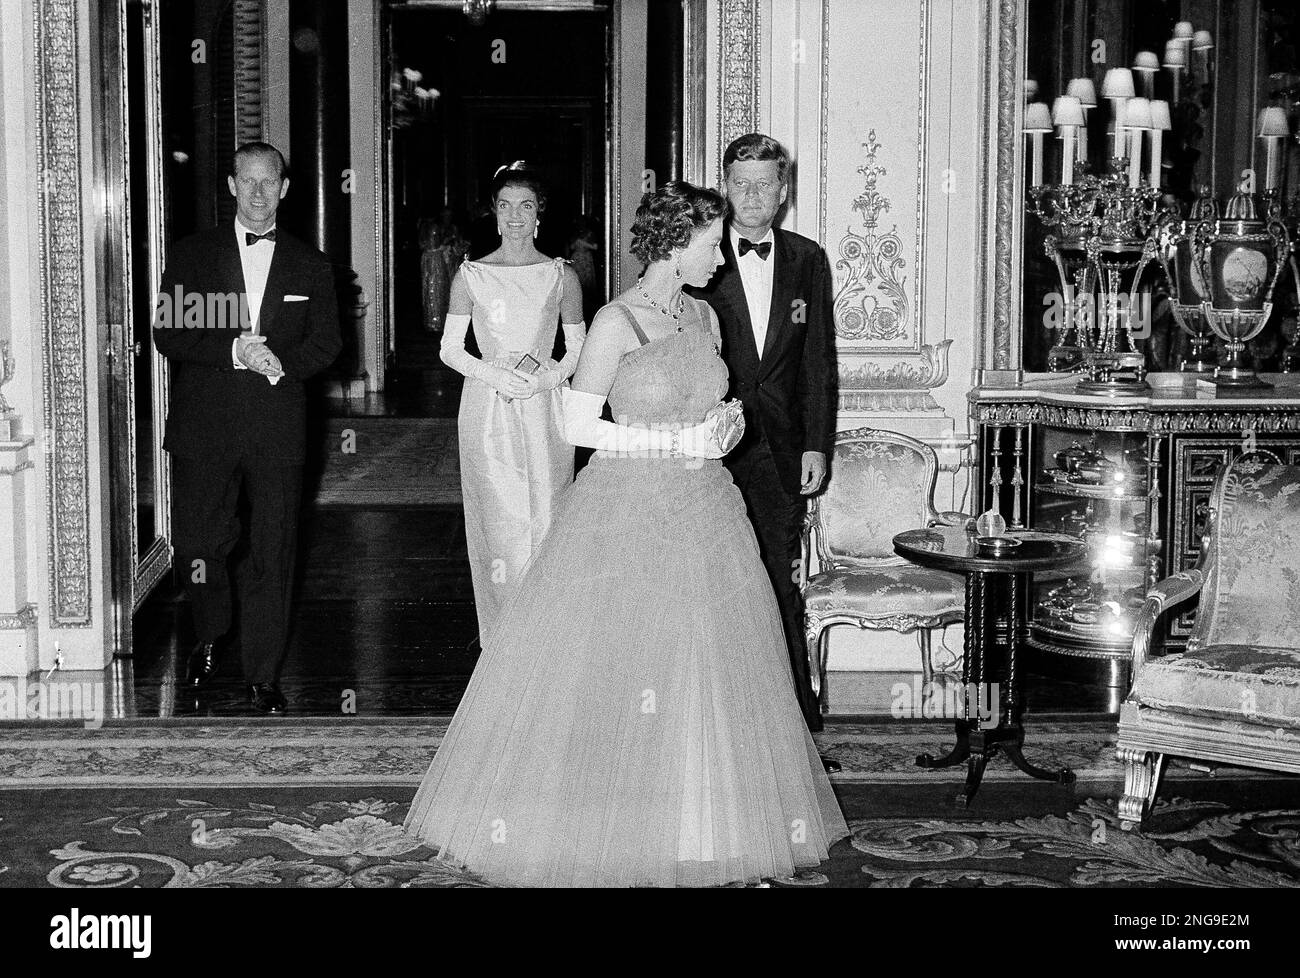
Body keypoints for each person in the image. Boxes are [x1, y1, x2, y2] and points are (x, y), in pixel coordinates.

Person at [404, 181, 848, 887]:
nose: (720, 259)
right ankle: (606, 820)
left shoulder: (703, 314)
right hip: (626, 509)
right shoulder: (615, 321)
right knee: (627, 663)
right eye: (711, 245)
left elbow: (714, 400)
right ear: (675, 245)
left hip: (706, 509)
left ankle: (701, 827)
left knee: (707, 661)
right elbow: (577, 425)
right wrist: (671, 445)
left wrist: (725, 424)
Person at [153, 141, 341, 714]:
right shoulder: (192, 256)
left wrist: (286, 364)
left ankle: (263, 674)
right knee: (199, 544)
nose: (260, 192)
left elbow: (329, 342)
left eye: (271, 181)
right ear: (232, 186)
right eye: (248, 181)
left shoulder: (310, 265)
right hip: (204, 427)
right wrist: (235, 350)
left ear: (285, 188)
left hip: (276, 428)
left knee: (274, 552)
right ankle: (212, 628)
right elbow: (169, 334)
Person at [692, 133, 838, 742]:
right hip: (707, 453)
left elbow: (817, 362)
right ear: (725, 187)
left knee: (780, 586)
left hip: (780, 454)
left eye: (764, 183)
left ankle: (793, 737)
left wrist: (815, 446)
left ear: (783, 192)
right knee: (708, 587)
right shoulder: (696, 256)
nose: (751, 194)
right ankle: (713, 732)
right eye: (740, 181)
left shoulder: (808, 259)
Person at [440, 162, 585, 644]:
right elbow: (450, 349)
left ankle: (547, 636)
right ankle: (501, 639)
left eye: (525, 206)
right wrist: (495, 373)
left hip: (545, 408)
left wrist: (548, 379)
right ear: (495, 215)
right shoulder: (471, 276)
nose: (515, 216)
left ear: (539, 213)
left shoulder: (561, 276)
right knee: (498, 520)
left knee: (547, 515)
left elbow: (580, 348)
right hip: (488, 410)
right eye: (506, 207)